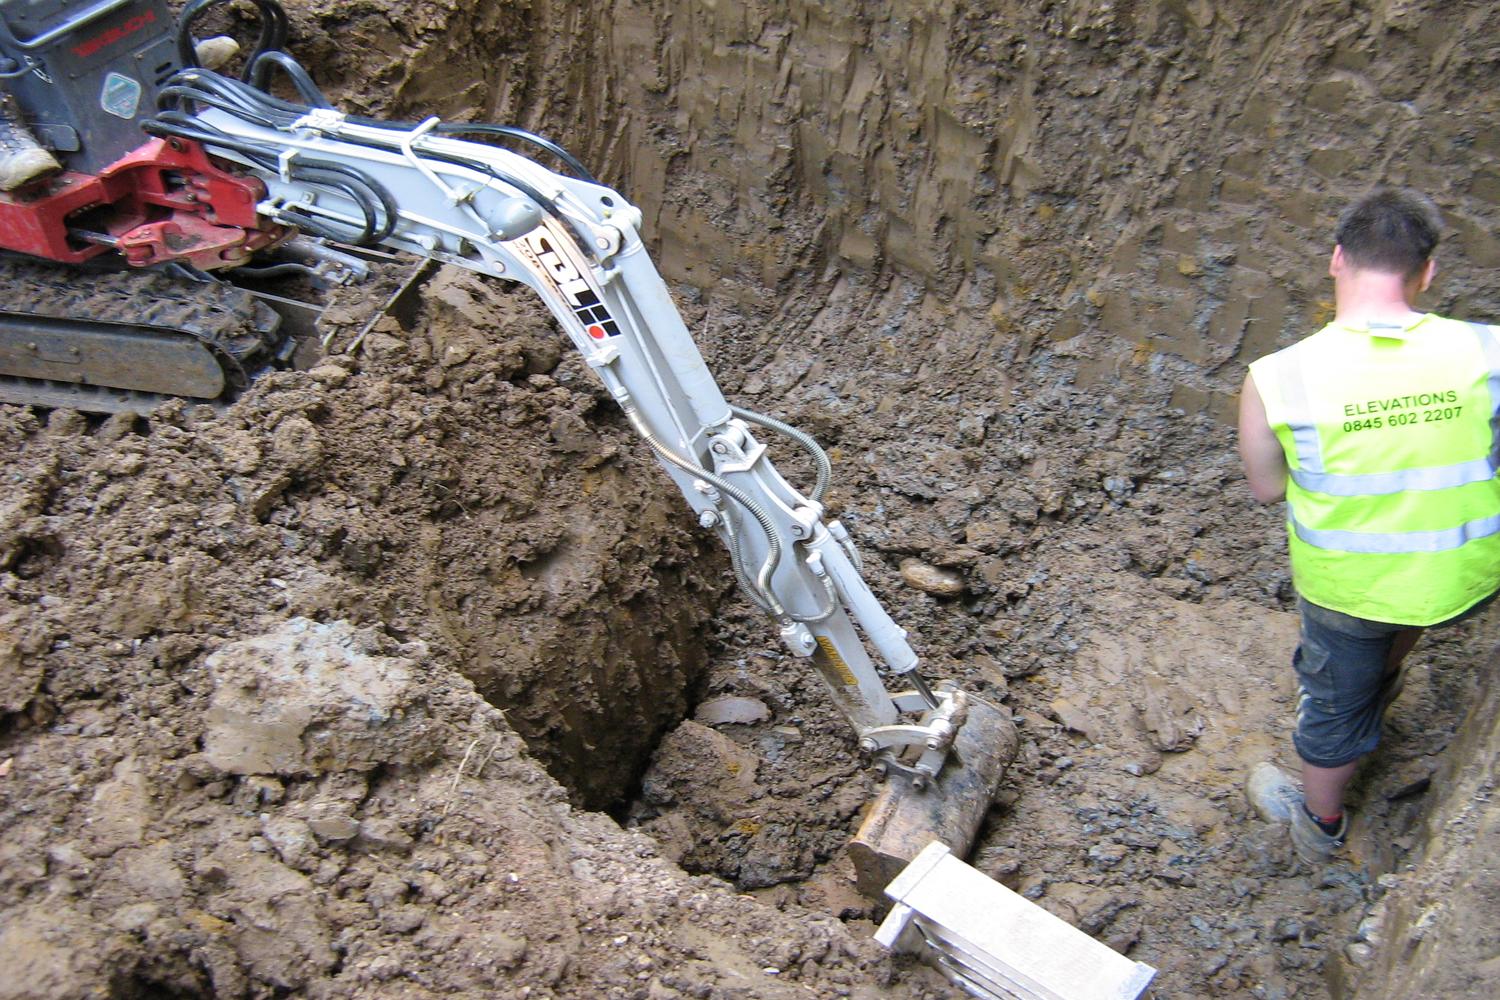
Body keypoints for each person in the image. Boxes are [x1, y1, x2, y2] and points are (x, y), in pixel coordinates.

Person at [1238, 187, 1500, 864]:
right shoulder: (1489, 351)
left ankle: (1319, 823)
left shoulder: (1278, 376)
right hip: (1465, 579)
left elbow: (1266, 488)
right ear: (1428, 272)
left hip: (1353, 590)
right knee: (1395, 624)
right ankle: (1384, 677)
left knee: (1330, 706)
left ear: (1336, 260)